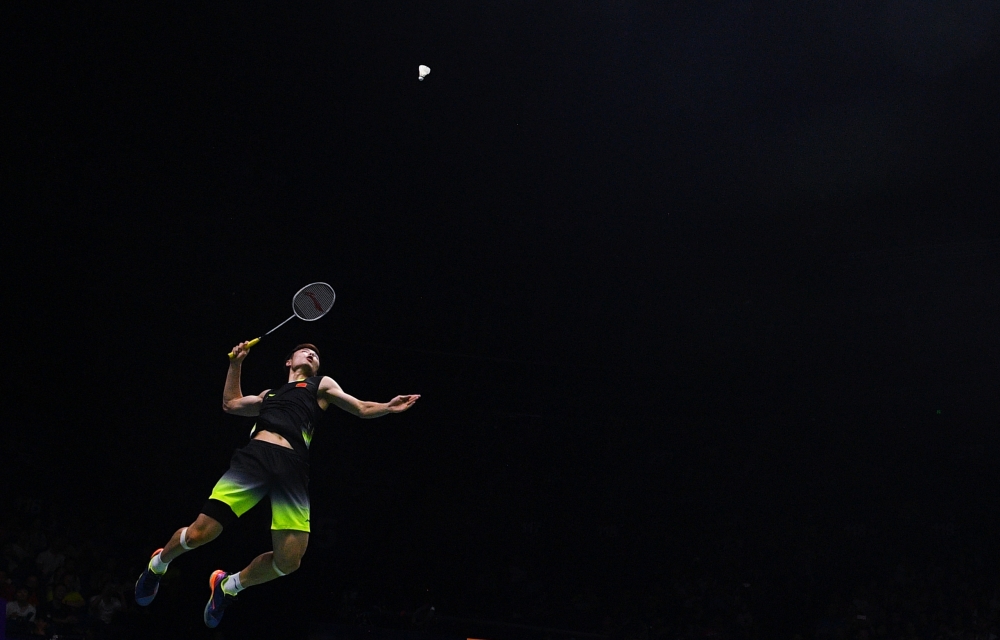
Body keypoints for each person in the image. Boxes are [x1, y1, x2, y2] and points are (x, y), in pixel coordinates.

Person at [134, 343, 419, 628]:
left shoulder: (321, 385)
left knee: (288, 562)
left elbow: (360, 407)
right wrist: (236, 363)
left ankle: (228, 586)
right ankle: (157, 565)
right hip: (255, 459)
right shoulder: (269, 395)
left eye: (316, 355)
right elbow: (231, 404)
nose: (312, 354)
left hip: (292, 468)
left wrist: (388, 407)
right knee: (200, 533)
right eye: (305, 351)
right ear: (288, 362)